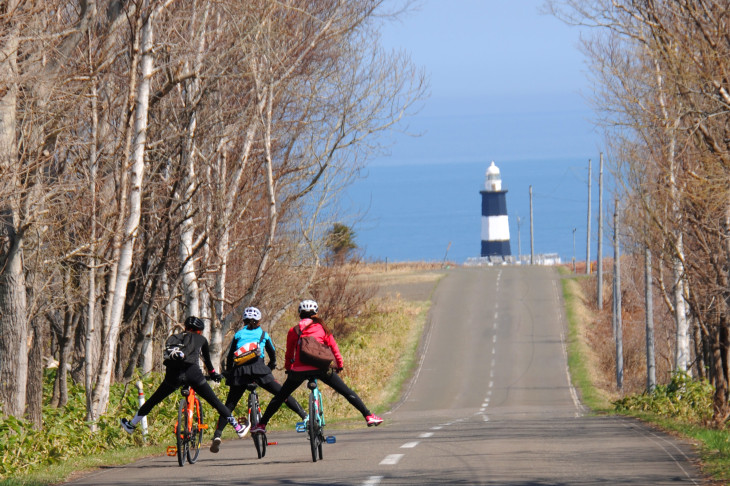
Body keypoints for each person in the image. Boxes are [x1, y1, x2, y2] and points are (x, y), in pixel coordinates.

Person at [250, 299, 383, 434]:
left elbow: (289, 353)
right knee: (346, 392)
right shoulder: (322, 328)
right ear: (316, 313)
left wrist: (289, 368)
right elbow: (334, 348)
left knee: (279, 397)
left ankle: (262, 424)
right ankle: (368, 416)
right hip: (321, 368)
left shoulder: (293, 331)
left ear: (299, 314)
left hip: (299, 371)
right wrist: (339, 365)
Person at [120, 316, 248, 438]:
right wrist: (213, 374)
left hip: (173, 375)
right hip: (193, 373)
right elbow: (208, 362)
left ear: (186, 327)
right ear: (199, 331)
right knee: (215, 402)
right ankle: (238, 428)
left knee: (154, 400)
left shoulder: (173, 338)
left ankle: (131, 425)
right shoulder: (201, 339)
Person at [209, 306, 307, 453]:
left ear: (244, 320)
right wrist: (270, 366)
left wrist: (229, 372)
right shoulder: (263, 334)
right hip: (259, 370)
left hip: (240, 372)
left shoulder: (238, 334)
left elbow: (230, 358)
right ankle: (304, 416)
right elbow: (272, 354)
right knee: (282, 394)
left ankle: (217, 435)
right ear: (259, 320)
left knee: (229, 405)